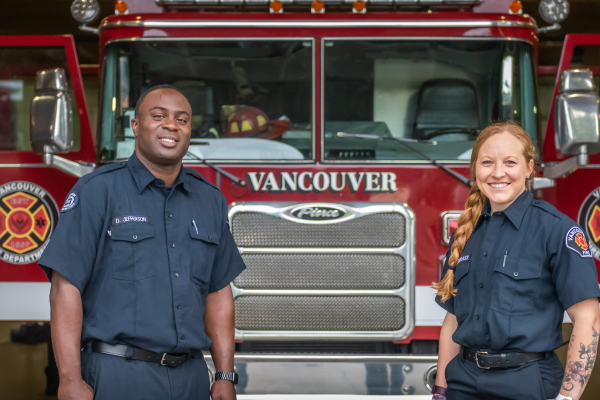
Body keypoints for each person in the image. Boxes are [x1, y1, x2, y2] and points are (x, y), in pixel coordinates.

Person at [38, 84, 246, 400]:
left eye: (182, 119)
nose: (171, 126)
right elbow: (65, 289)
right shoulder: (96, 192)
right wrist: (68, 380)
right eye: (158, 116)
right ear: (135, 126)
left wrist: (224, 375)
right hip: (118, 375)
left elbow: (218, 293)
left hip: (191, 377)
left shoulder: (210, 200)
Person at [431, 121, 600, 400]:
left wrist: (568, 397)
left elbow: (588, 319)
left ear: (529, 167)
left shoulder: (558, 231)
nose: (498, 173)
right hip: (463, 382)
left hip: (527, 383)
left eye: (510, 162)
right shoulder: (465, 232)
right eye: (487, 162)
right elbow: (453, 320)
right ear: (475, 169)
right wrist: (440, 390)